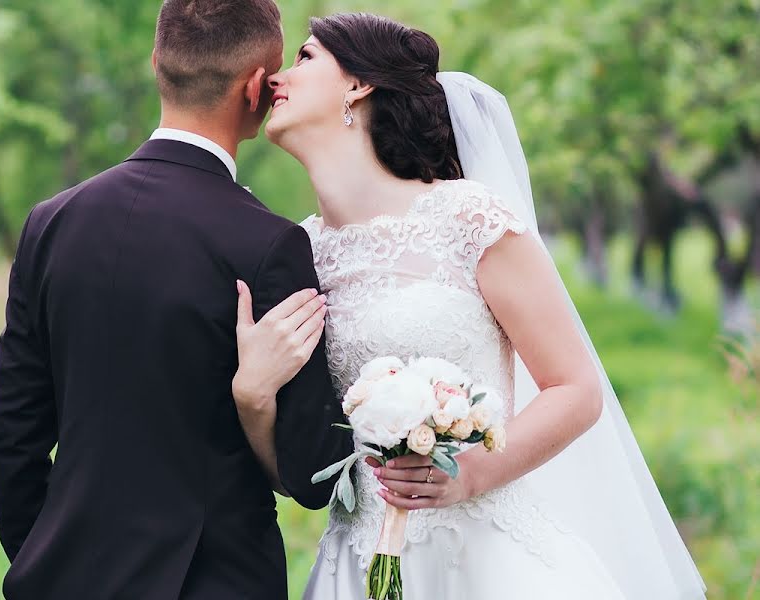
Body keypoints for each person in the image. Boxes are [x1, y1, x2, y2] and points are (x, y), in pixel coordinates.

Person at [231, 12, 707, 599]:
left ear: (358, 85)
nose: (278, 76)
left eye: (304, 58)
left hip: (486, 561)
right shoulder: (301, 253)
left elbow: (576, 390)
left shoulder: (466, 219)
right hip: (358, 566)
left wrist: (470, 476)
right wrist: (253, 399)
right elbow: (301, 472)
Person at [0, 1, 351, 598]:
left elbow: (12, 440)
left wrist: (49, 562)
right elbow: (315, 475)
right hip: (215, 582)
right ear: (257, 88)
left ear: (157, 61)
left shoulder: (51, 222)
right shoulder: (269, 245)